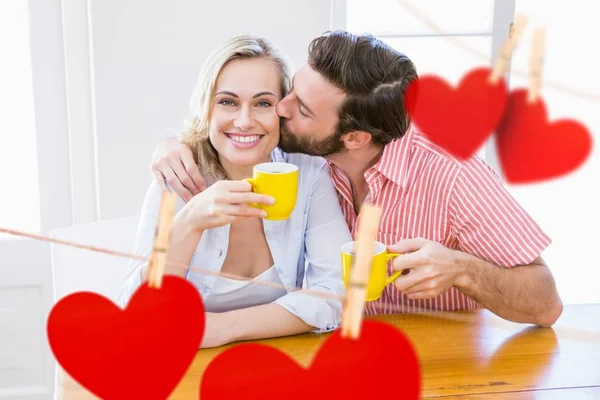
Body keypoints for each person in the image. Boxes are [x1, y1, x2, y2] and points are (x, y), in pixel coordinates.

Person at [151, 30, 564, 327]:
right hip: (328, 351)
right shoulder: (303, 159)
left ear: (353, 138)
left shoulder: (454, 176)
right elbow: (234, 123)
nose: (280, 109)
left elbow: (546, 304)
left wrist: (462, 269)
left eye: (302, 109)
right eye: (291, 90)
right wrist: (177, 144)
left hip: (437, 359)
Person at [118, 35, 352, 348]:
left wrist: (224, 328)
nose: (244, 121)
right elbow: (135, 311)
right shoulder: (176, 177)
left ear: (281, 111)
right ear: (206, 108)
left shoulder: (308, 174)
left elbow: (338, 292)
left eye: (263, 103)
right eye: (227, 101)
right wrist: (190, 222)